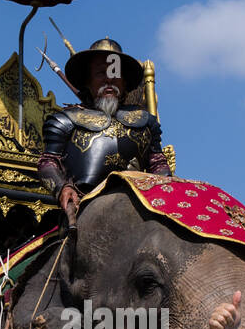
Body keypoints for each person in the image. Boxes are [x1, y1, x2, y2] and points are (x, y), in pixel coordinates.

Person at [38, 37, 170, 227]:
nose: (109, 79)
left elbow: (157, 162)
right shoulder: (65, 120)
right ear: (88, 81)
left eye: (115, 73)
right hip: (85, 207)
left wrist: (163, 184)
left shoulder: (145, 122)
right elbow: (47, 162)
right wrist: (62, 187)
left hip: (141, 207)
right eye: (101, 73)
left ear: (124, 82)